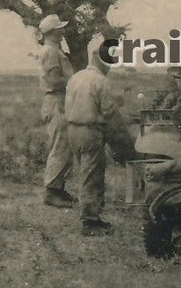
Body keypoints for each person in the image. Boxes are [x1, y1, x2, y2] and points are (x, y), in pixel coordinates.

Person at [64, 46, 125, 235]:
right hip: (90, 130)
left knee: (85, 173)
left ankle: (92, 217)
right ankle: (90, 222)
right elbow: (109, 111)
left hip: (72, 129)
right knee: (92, 176)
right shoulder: (101, 81)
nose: (110, 67)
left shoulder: (75, 77)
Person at [38, 14, 75, 208]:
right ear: (52, 32)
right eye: (59, 29)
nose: (62, 32)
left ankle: (58, 188)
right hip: (56, 100)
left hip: (60, 100)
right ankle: (52, 192)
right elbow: (54, 80)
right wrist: (75, 82)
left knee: (65, 145)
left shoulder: (54, 50)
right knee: (60, 146)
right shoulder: (51, 51)